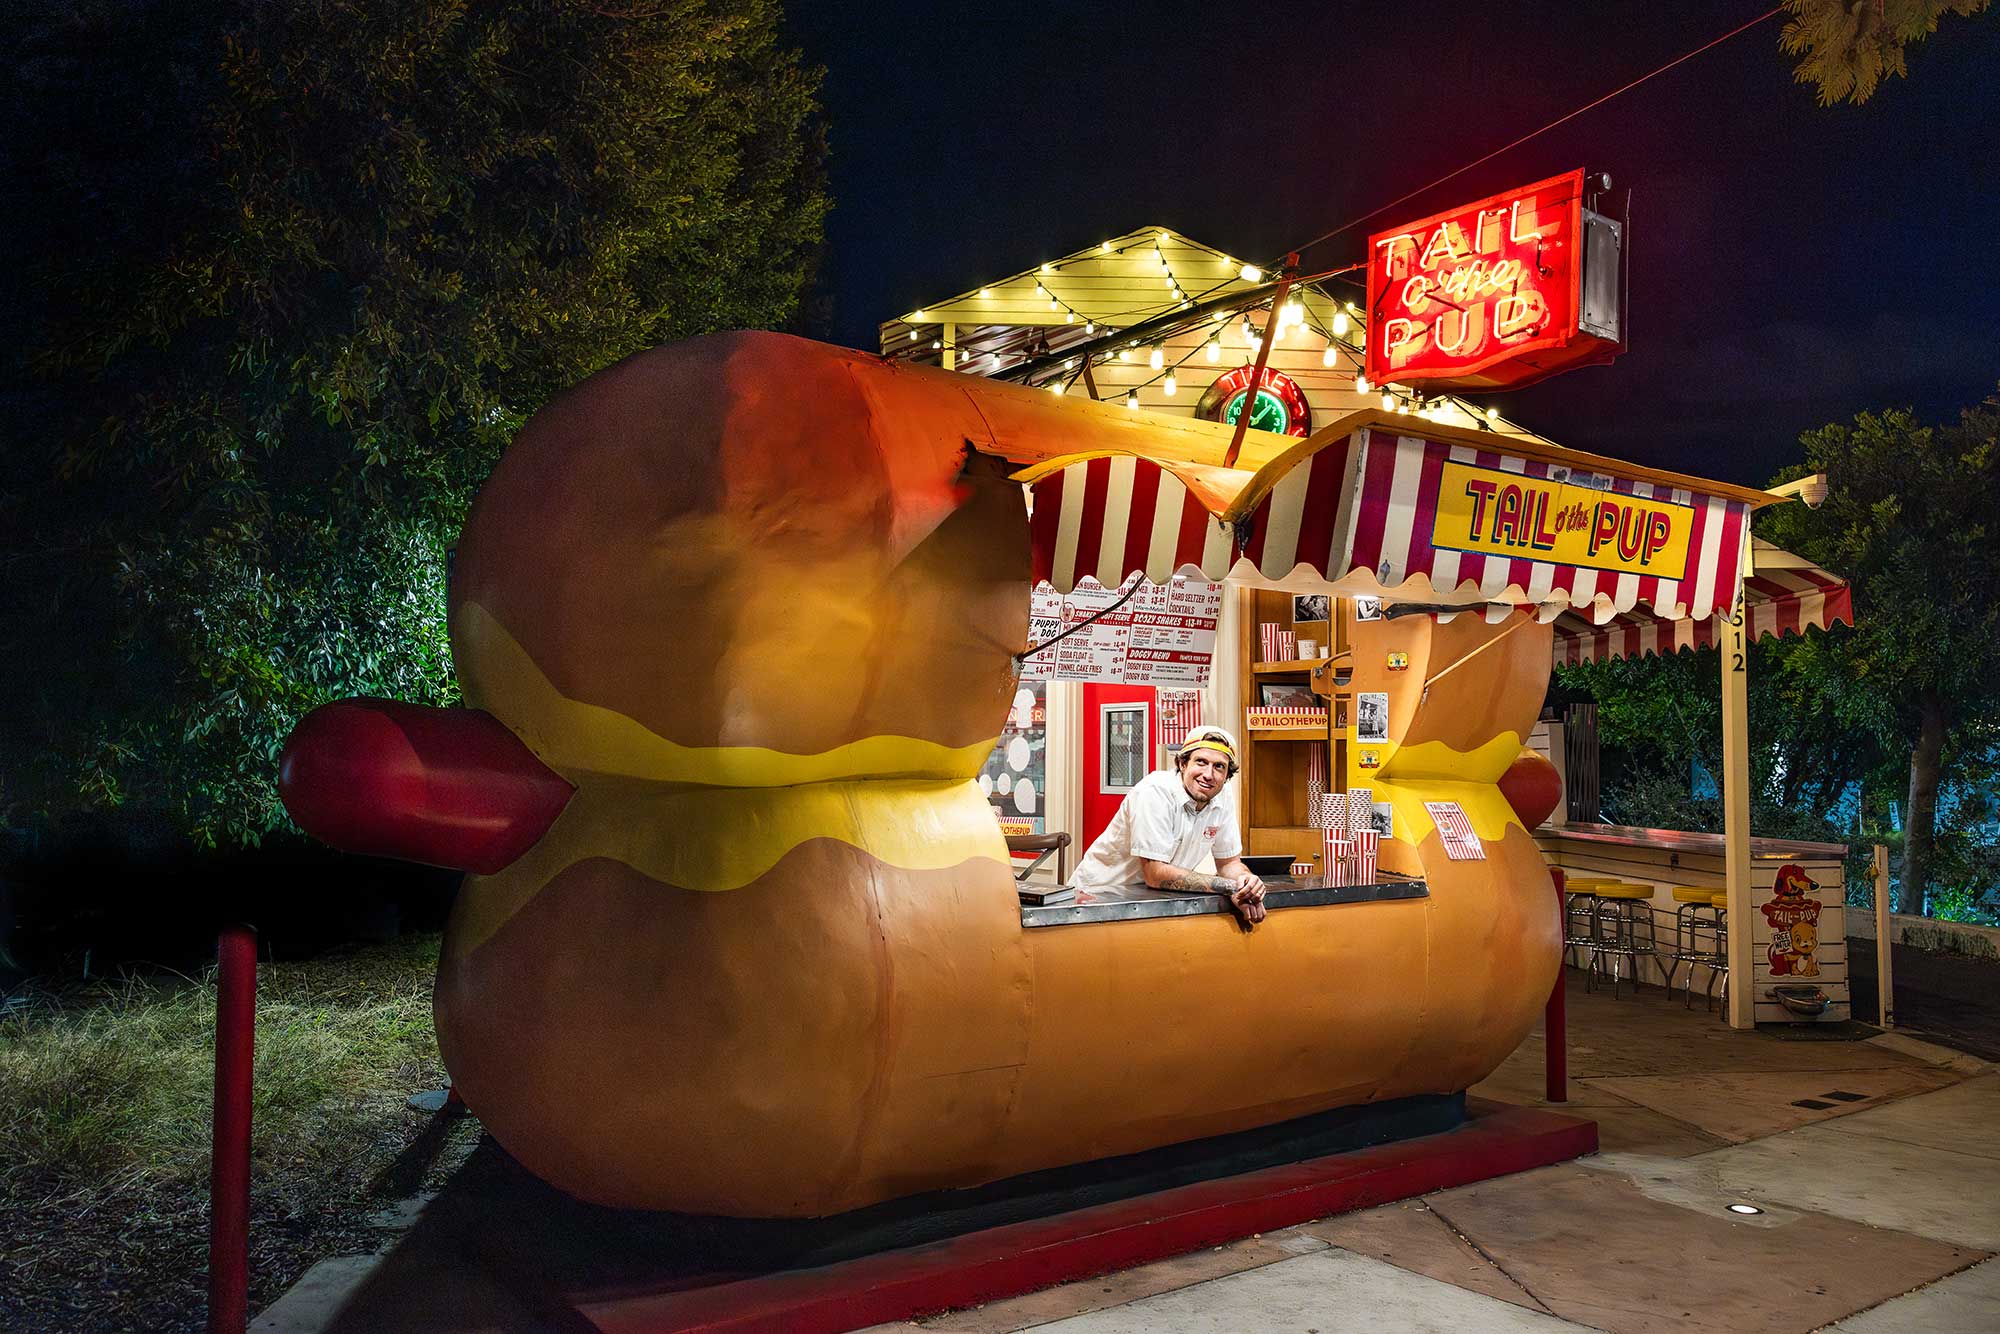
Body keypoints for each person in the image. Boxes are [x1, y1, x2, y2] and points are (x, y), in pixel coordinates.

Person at [1071, 725, 1267, 926]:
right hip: (1095, 900)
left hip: (1148, 902)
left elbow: (1228, 863)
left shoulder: (1221, 795)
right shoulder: (1154, 791)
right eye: (1201, 762)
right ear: (1182, 763)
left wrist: (1246, 883)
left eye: (1219, 767)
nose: (1209, 774)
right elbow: (1155, 874)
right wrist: (1229, 887)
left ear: (1226, 775)